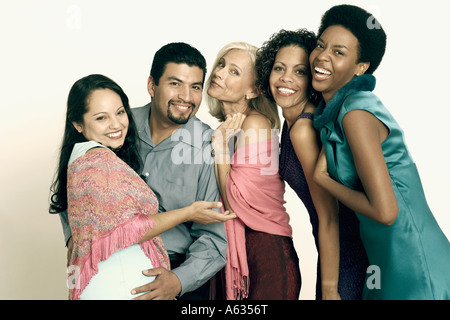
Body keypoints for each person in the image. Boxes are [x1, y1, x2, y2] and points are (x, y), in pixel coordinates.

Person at [55, 43, 231, 300]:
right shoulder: (116, 126)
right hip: (108, 271)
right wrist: (77, 240)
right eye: (175, 83)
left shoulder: (209, 146)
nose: (186, 96)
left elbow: (214, 239)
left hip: (175, 274)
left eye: (195, 87)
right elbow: (75, 187)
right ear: (152, 85)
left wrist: (178, 281)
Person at [310, 4, 450, 299]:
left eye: (338, 52)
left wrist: (324, 181)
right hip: (386, 259)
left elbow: (386, 213)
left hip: (413, 260)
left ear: (361, 67)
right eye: (320, 45)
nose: (322, 56)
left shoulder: (356, 114)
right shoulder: (339, 112)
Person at [255, 29, 369, 300]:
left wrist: (329, 289)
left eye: (300, 72)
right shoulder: (291, 120)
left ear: (312, 79)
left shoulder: (303, 130)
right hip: (333, 251)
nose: (286, 79)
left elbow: (330, 215)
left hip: (346, 254)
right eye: (279, 68)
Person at [206, 41, 301, 300]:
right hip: (236, 252)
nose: (219, 73)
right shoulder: (225, 128)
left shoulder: (256, 124)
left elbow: (234, 201)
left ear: (253, 90)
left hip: (266, 254)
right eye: (222, 64)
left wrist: (219, 147)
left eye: (234, 72)